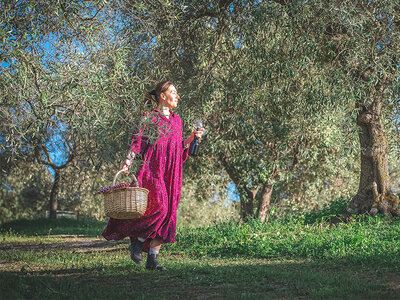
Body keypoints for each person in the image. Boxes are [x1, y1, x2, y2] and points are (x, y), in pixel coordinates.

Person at [102, 80, 204, 271]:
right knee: (160, 209)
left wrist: (191, 138)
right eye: (173, 92)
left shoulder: (177, 120)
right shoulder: (149, 118)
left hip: (172, 173)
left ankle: (153, 259)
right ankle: (138, 242)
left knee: (169, 215)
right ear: (162, 96)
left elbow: (178, 146)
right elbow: (136, 143)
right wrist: (127, 163)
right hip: (152, 170)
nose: (177, 96)